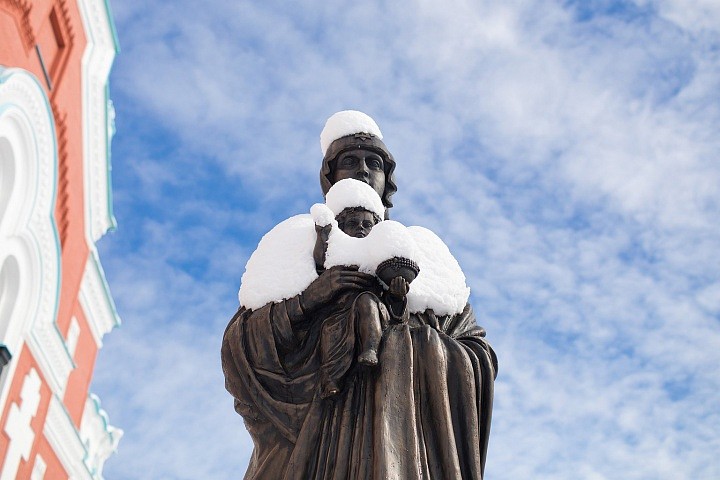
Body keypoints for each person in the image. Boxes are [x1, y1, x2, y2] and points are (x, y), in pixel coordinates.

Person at [222, 111, 497, 479]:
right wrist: (309, 300)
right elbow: (241, 345)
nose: (363, 170)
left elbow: (476, 351)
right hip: (319, 442)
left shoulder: (422, 251)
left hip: (406, 439)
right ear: (329, 176)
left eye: (374, 163)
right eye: (349, 161)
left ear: (387, 180)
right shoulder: (296, 239)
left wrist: (410, 343)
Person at [311, 181, 413, 399]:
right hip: (340, 313)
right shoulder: (340, 253)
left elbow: (389, 300)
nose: (360, 228)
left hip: (372, 310)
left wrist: (396, 295)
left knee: (367, 301)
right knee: (329, 331)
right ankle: (331, 379)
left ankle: (370, 349)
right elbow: (321, 264)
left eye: (367, 225)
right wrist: (322, 236)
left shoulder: (376, 259)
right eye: (353, 223)